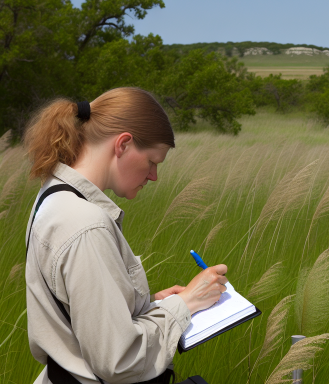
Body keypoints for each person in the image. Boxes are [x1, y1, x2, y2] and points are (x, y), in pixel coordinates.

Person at [23, 87, 228, 383]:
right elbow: (119, 360)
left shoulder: (54, 195)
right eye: (152, 161)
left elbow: (82, 317)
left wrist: (151, 304)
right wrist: (188, 302)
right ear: (123, 145)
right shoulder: (84, 223)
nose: (154, 176)